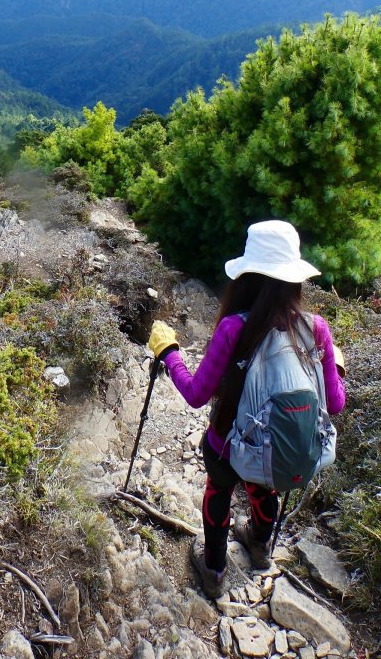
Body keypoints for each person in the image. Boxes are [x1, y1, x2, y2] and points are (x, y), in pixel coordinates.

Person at [148, 220, 346, 599]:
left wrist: (169, 352)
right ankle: (259, 547)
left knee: (219, 489)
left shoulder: (233, 328)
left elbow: (195, 393)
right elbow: (334, 403)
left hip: (227, 444)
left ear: (247, 277)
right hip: (281, 448)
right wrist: (335, 369)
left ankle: (215, 569)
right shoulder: (316, 328)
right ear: (293, 279)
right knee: (262, 485)